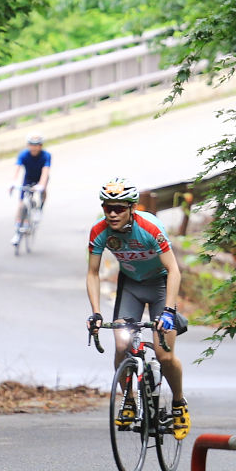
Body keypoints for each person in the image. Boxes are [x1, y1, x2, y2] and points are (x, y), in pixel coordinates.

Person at [85, 177, 190, 440]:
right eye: (107, 207)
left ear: (132, 208)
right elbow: (93, 273)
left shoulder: (149, 229)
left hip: (160, 286)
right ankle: (129, 400)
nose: (112, 213)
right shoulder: (99, 231)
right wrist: (96, 313)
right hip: (130, 285)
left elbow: (174, 270)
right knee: (122, 346)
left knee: (165, 355)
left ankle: (178, 402)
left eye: (119, 208)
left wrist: (168, 311)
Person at [9, 132, 51, 246]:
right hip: (27, 178)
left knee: (43, 189)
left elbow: (45, 171)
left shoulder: (46, 155)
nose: (34, 147)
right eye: (31, 145)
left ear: (41, 146)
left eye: (36, 145)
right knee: (21, 205)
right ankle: (18, 231)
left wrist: (41, 186)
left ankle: (40, 209)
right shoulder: (23, 154)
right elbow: (17, 169)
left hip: (41, 178)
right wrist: (13, 182)